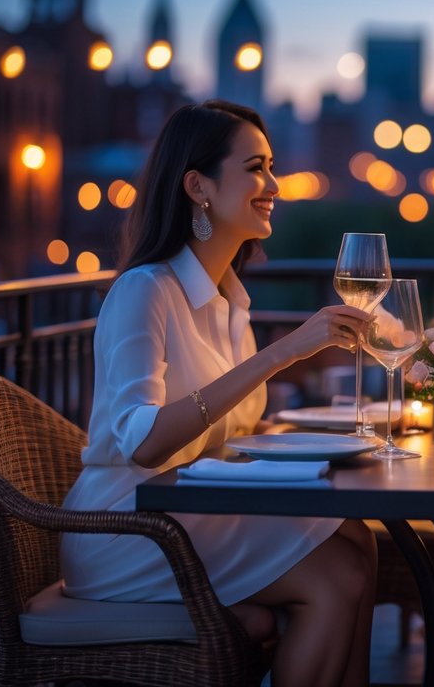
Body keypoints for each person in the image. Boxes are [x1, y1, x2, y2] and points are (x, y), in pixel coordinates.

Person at [60, 100, 376, 687]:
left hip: (191, 512)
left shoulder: (231, 302)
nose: (274, 185)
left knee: (357, 538)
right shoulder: (145, 290)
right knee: (336, 575)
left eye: (271, 166)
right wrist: (281, 354)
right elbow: (145, 444)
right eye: (256, 168)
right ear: (198, 186)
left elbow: (237, 434)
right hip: (127, 526)